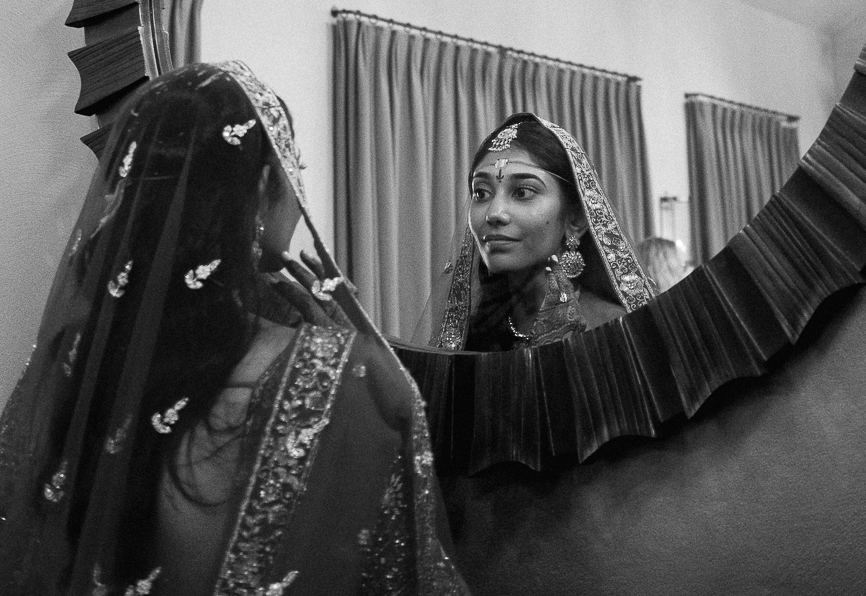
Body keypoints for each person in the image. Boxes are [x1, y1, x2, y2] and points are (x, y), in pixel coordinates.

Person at [0, 60, 468, 596]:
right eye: (299, 173)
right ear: (268, 182)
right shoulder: (337, 377)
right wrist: (376, 371)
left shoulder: (70, 366)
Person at [419, 112, 654, 351]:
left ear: (575, 219)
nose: (494, 213)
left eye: (522, 192)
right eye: (481, 193)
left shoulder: (616, 331)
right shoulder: (472, 336)